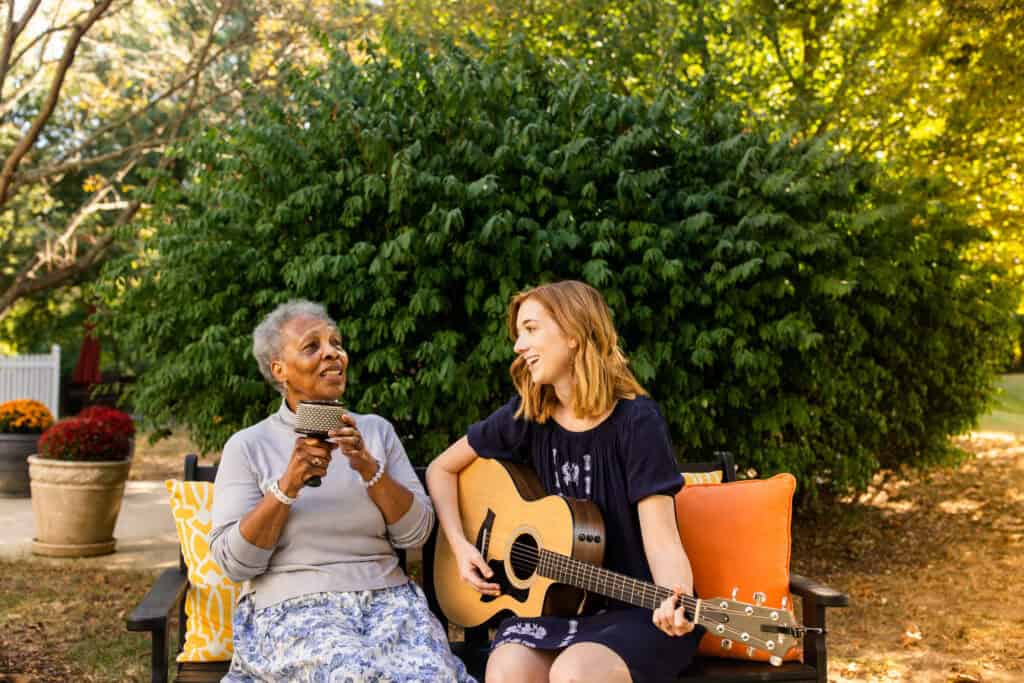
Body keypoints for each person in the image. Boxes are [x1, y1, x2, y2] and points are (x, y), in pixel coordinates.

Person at [426, 281, 702, 683]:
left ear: (574, 334)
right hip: (557, 610)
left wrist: (675, 599)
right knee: (505, 669)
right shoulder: (529, 416)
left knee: (575, 673)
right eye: (518, 334)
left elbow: (662, 537)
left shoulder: (637, 422)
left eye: (531, 329)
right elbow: (441, 469)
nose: (519, 346)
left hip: (636, 609)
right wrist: (461, 544)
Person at [210, 299, 474, 683]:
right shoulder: (249, 445)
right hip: (292, 607)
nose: (332, 353)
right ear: (278, 370)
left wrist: (368, 467)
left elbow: (416, 534)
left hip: (390, 603)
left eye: (336, 343)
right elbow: (235, 563)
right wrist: (288, 485)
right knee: (349, 674)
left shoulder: (376, 432)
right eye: (311, 346)